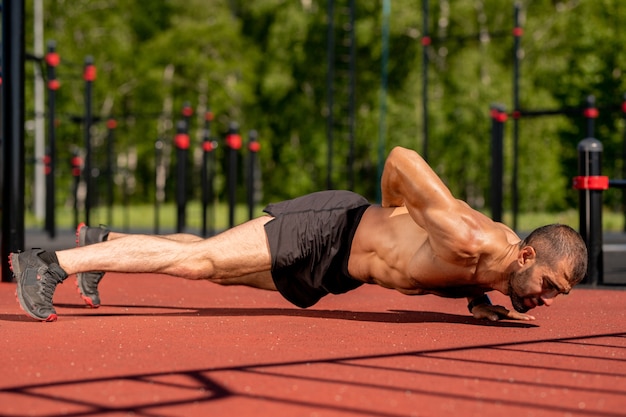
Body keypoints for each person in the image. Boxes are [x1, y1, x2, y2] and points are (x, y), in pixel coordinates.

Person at [10, 146, 588, 322]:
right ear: (529, 254)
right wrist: (386, 215)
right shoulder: (470, 236)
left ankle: (106, 245)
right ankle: (48, 262)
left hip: (332, 271)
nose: (545, 298)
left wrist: (479, 299)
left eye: (555, 296)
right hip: (329, 229)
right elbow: (402, 159)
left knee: (218, 267)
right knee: (204, 263)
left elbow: (452, 271)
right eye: (548, 284)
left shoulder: (495, 268)